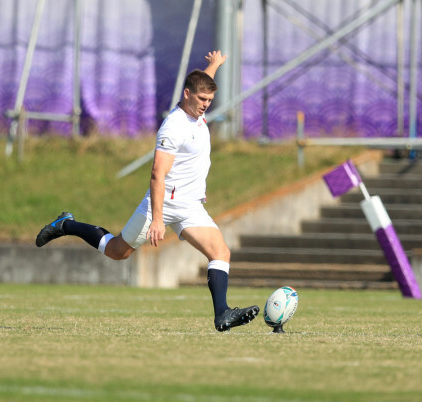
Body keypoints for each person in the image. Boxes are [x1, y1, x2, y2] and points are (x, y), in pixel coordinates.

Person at [36, 50, 259, 332]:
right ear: (186, 94)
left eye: (210, 101)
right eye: (202, 99)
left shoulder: (196, 107)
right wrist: (156, 218)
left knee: (220, 252)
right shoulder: (174, 126)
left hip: (190, 205)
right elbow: (157, 174)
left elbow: (205, 83)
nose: (206, 105)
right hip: (163, 201)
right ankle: (66, 224)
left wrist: (213, 65)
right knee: (118, 251)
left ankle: (222, 314)